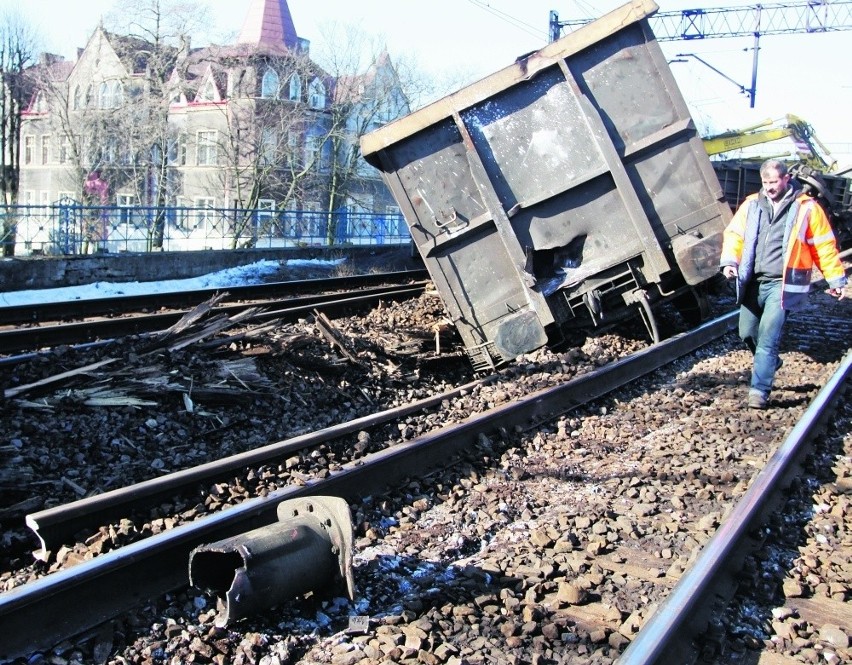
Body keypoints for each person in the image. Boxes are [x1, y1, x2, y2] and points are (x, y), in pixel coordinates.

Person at [720, 158, 847, 410]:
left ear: (787, 179)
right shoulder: (752, 205)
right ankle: (770, 362)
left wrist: (835, 278)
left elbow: (824, 245)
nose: (769, 187)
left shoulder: (807, 208)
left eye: (773, 182)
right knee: (747, 332)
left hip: (783, 283)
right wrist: (730, 262)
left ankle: (759, 390)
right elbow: (735, 234)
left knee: (768, 336)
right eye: (765, 182)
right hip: (754, 282)